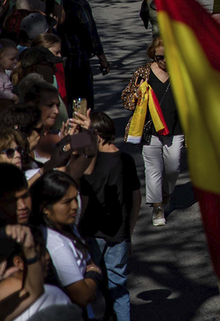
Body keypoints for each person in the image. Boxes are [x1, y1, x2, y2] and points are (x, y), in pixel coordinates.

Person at [79, 112, 140, 321]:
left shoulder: (90, 163)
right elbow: (136, 198)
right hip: (120, 234)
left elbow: (84, 200)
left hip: (91, 232)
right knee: (118, 283)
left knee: (89, 280)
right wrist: (129, 232)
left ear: (95, 135)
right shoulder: (126, 160)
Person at [124, 36, 183, 228]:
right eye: (159, 57)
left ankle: (166, 194)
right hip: (150, 129)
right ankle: (157, 207)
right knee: (153, 168)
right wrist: (135, 95)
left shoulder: (182, 72)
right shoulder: (143, 72)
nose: (164, 61)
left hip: (175, 129)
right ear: (153, 55)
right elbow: (126, 100)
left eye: (168, 56)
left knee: (173, 168)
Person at [33, 170, 105, 317]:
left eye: (75, 199)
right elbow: (82, 295)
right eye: (67, 202)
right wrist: (94, 273)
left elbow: (87, 259)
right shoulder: (56, 244)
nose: (75, 206)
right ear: (45, 208)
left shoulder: (68, 227)